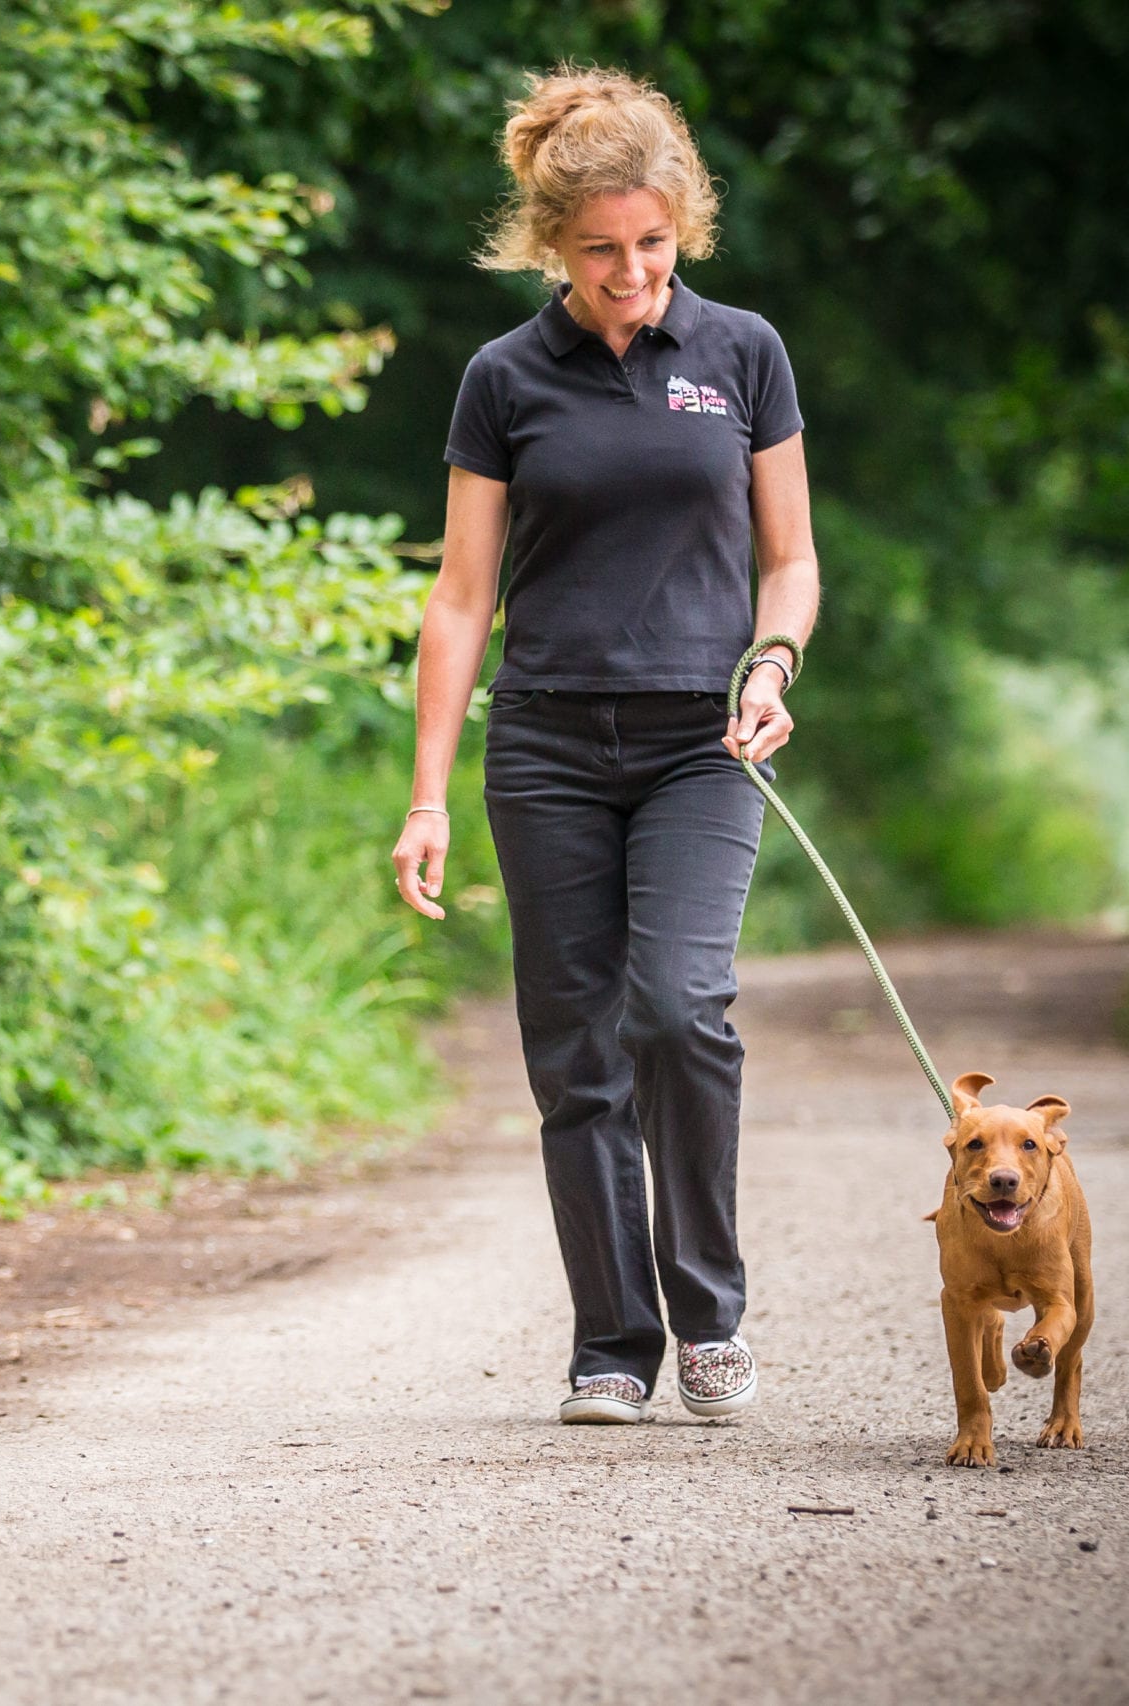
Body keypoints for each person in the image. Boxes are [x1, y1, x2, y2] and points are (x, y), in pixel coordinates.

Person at [390, 65, 819, 1426]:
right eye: (598, 250)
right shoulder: (503, 378)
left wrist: (773, 662)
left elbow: (793, 561)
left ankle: (709, 1313)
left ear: (681, 224)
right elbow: (462, 598)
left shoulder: (744, 353)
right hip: (550, 748)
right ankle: (612, 1345)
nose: (629, 272)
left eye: (650, 243)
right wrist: (428, 796)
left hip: (707, 741)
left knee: (680, 1010)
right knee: (575, 1051)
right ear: (547, 245)